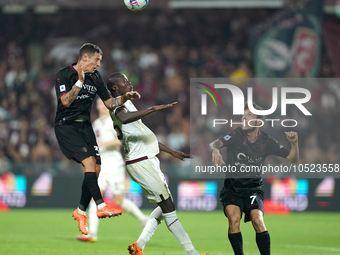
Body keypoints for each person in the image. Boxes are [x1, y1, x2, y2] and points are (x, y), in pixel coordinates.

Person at [106, 72, 208, 255]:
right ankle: (192, 253)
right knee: (169, 208)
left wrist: (171, 152)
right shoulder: (117, 108)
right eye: (124, 81)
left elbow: (144, 135)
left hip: (147, 160)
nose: (129, 82)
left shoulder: (128, 103)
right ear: (115, 88)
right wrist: (152, 109)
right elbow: (123, 118)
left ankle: (139, 245)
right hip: (141, 163)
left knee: (165, 206)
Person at [54, 43, 140, 235]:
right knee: (90, 162)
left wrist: (125, 97)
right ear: (84, 58)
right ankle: (101, 206)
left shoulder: (96, 77)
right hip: (66, 125)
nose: (99, 64)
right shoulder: (63, 74)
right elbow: (66, 102)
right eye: (96, 60)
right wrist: (79, 82)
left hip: (85, 126)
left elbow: (109, 103)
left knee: (97, 168)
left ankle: (80, 211)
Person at [209, 102, 299, 255]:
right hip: (232, 189)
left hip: (253, 188)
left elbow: (292, 158)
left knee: (257, 220)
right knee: (234, 219)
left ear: (259, 121)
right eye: (243, 115)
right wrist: (216, 150)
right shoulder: (236, 135)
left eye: (249, 115)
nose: (244, 117)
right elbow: (214, 143)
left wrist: (294, 143)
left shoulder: (267, 141)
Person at [76, 98, 149, 242]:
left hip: (115, 165)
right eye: (100, 104)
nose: (102, 106)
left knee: (119, 200)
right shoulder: (96, 124)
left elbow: (121, 140)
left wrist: (101, 144)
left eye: (104, 104)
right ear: (97, 106)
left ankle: (143, 219)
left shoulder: (114, 121)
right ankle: (92, 234)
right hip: (101, 165)